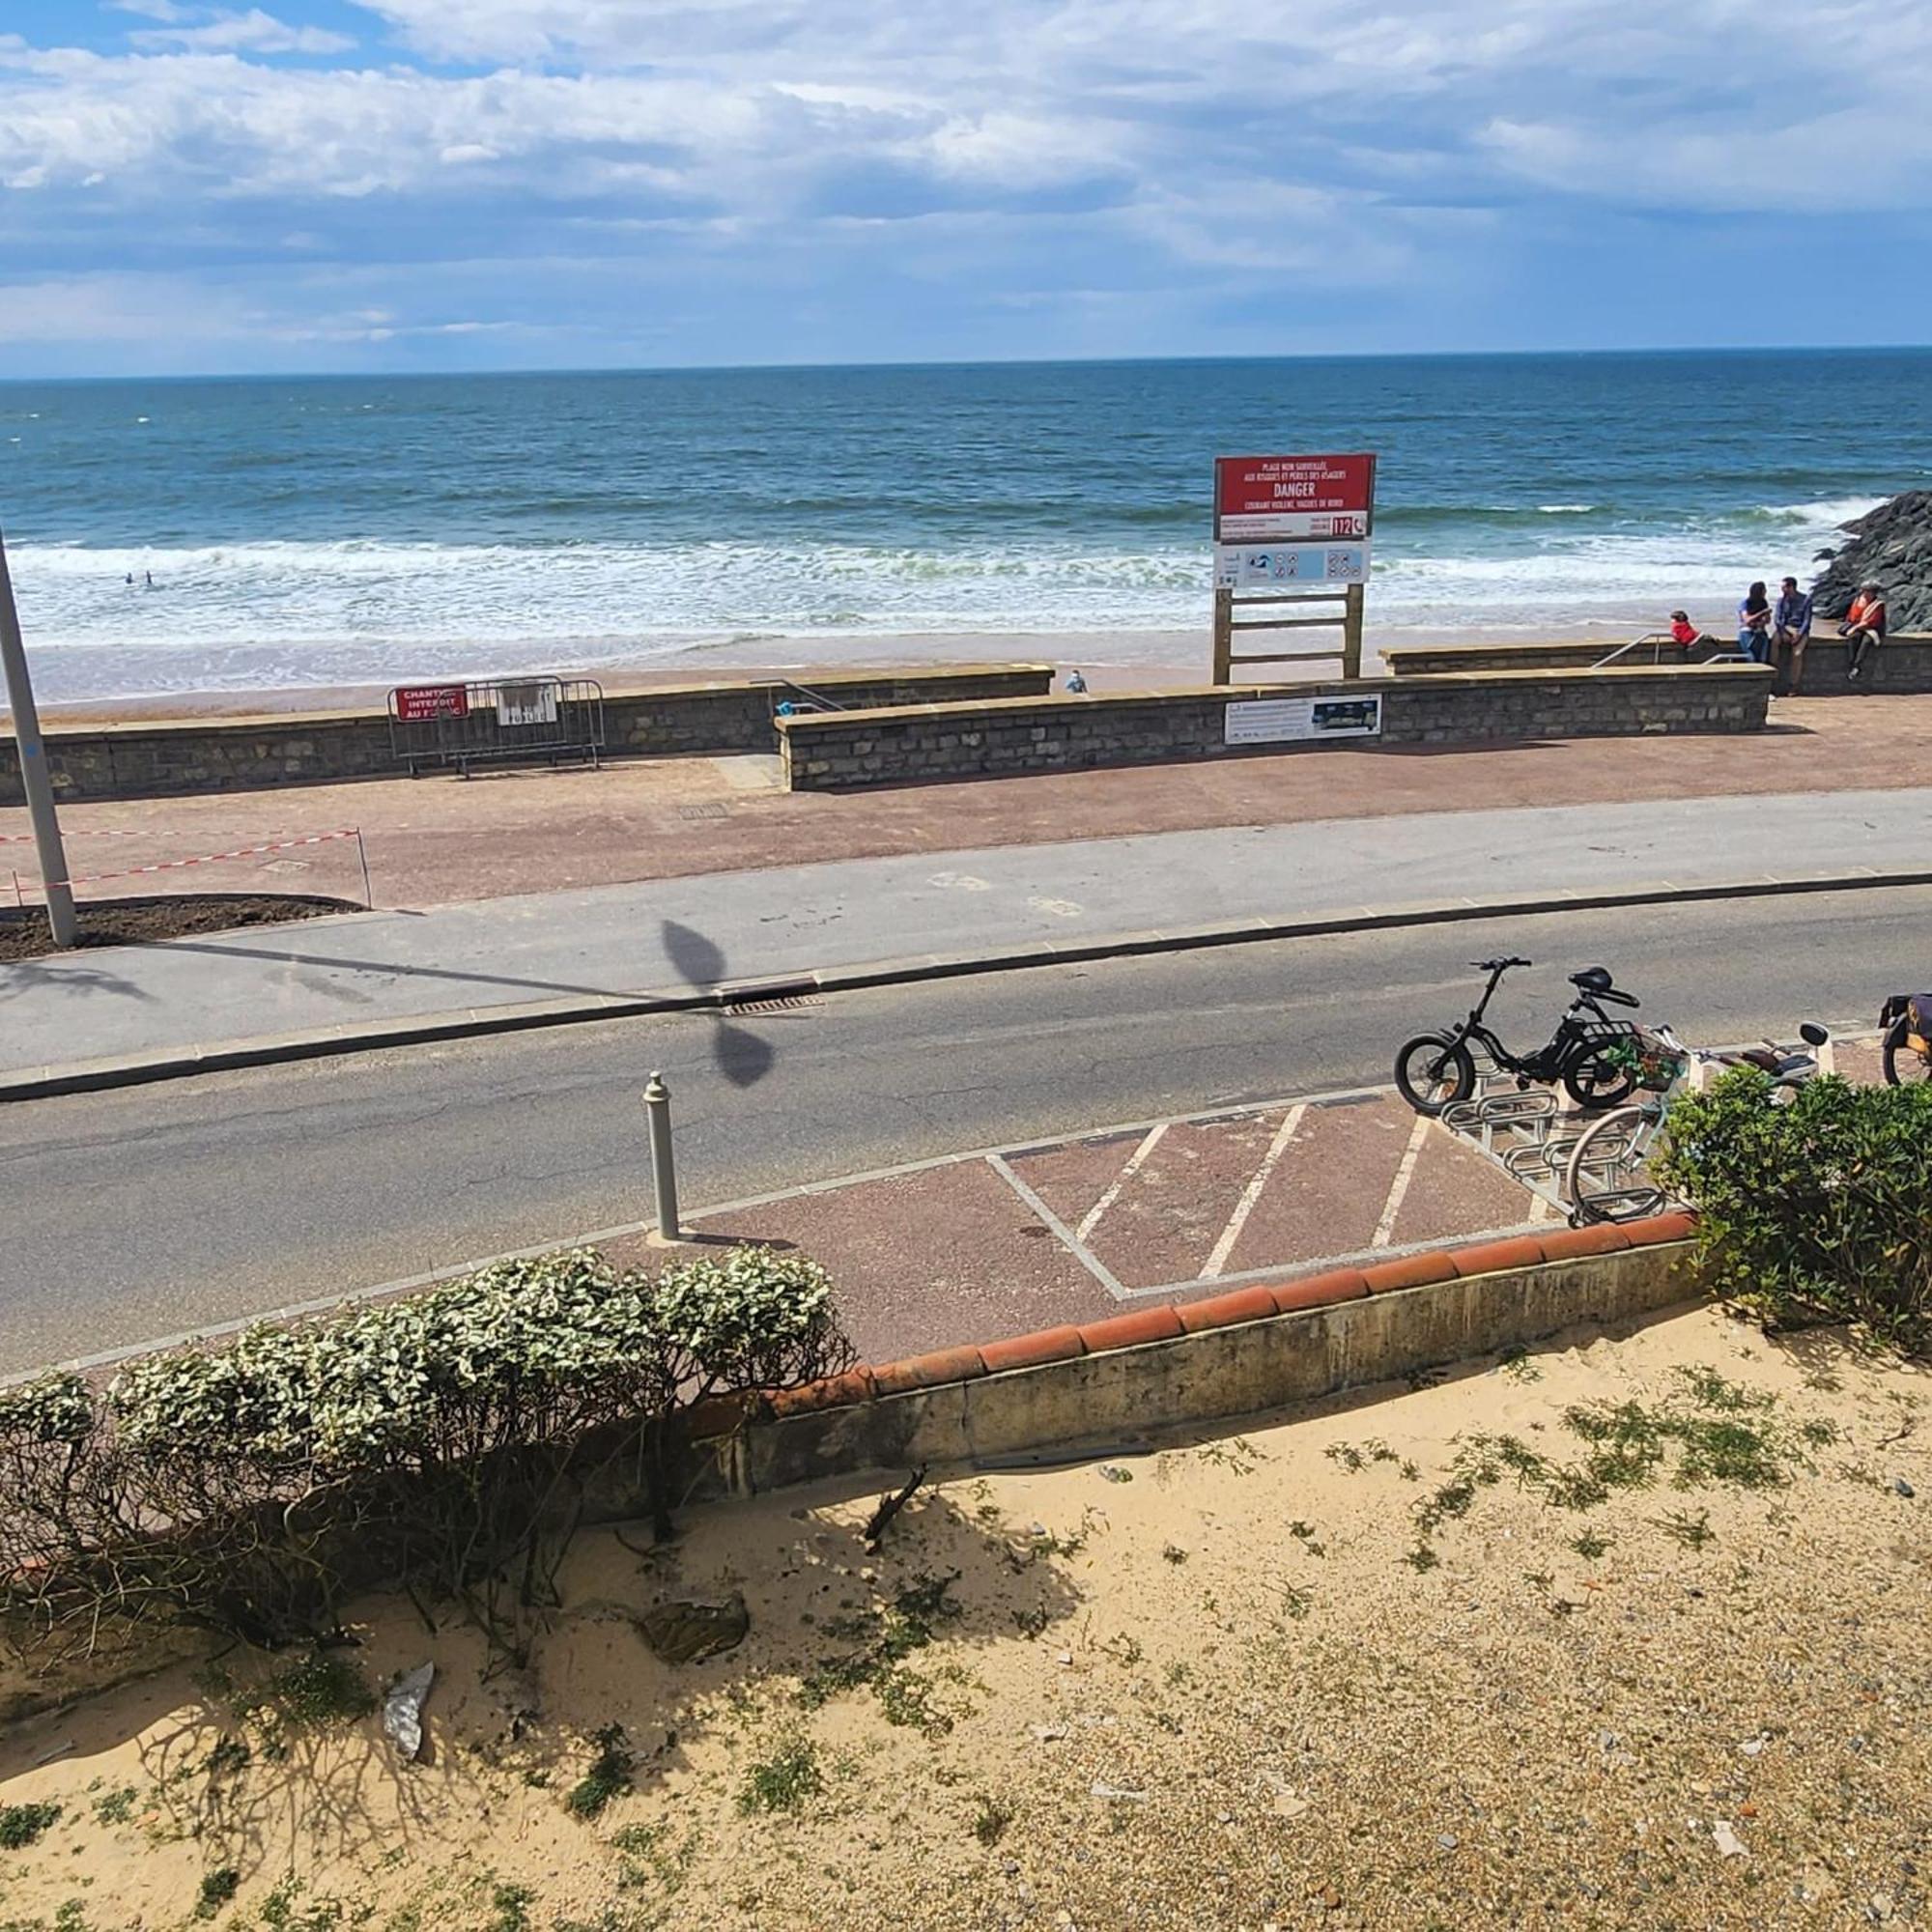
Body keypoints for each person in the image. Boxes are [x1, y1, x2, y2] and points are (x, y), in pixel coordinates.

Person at [1773, 576, 1813, 695]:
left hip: (1800, 630)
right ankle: (1774, 676)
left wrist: (1799, 634)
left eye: (1784, 587)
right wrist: (1784, 632)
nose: (1782, 590)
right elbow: (1777, 619)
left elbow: (1807, 620)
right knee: (1774, 643)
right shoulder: (1781, 601)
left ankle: (1793, 684)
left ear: (1791, 587)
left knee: (1797, 654)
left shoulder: (1806, 600)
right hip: (1784, 628)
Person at [1840, 582, 1887, 681]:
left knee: (1866, 642)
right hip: (1858, 627)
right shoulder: (1857, 600)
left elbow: (1872, 621)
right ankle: (1852, 664)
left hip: (1872, 629)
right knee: (1853, 638)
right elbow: (1852, 617)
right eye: (1863, 590)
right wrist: (1853, 627)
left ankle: (1857, 665)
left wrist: (1854, 628)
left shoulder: (1878, 604)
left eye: (1867, 591)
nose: (1864, 593)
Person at [1737, 582, 1774, 664]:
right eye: (1764, 590)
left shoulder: (1764, 602)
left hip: (1760, 631)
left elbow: (1767, 621)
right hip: (1747, 631)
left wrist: (1766, 617)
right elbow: (1747, 620)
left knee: (1762, 658)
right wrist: (1762, 613)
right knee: (1751, 657)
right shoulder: (1745, 603)